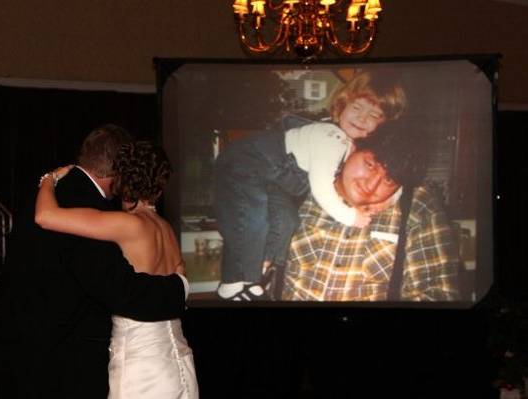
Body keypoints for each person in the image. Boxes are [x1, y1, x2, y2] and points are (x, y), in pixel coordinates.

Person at [0, 124, 187, 399]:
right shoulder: (154, 225)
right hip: (60, 361)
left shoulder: (55, 194)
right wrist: (180, 290)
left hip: (29, 352)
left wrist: (48, 178)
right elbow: (119, 290)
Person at [214, 70, 407, 300]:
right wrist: (350, 217)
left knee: (287, 220)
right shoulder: (331, 138)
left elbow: (397, 172)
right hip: (246, 163)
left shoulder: (348, 146)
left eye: (374, 115)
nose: (362, 118)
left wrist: (390, 196)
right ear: (342, 105)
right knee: (253, 217)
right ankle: (232, 283)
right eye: (356, 108)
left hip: (270, 178)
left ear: (383, 125)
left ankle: (254, 276)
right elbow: (321, 188)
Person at [34, 141, 198, 399]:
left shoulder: (128, 225)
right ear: (159, 186)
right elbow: (179, 285)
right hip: (178, 362)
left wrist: (49, 178)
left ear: (121, 180)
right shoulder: (167, 230)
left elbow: (45, 216)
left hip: (141, 366)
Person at [281, 123, 460, 301]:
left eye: (389, 180)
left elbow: (437, 292)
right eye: (370, 164)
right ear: (352, 149)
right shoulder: (297, 184)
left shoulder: (416, 208)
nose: (371, 185)